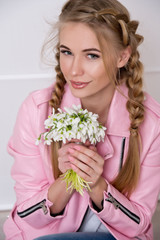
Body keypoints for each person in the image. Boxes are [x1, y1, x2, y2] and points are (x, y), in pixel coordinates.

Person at [3, 0, 160, 239]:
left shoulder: (152, 122)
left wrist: (97, 186)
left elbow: (138, 224)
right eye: (67, 52)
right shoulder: (37, 111)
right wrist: (68, 179)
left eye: (92, 55)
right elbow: (27, 216)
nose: (74, 70)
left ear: (122, 57)